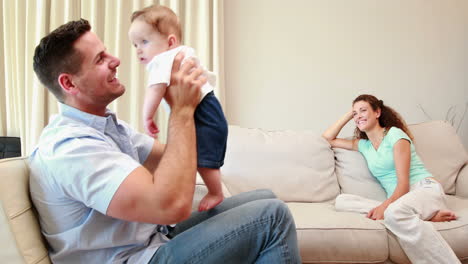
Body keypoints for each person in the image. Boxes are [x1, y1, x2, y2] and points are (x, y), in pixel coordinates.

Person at [30, 19, 301, 264]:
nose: (116, 60)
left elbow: (179, 159)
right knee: (272, 218)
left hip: (151, 244)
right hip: (133, 259)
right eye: (100, 59)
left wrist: (199, 106)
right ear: (69, 83)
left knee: (265, 197)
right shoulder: (71, 146)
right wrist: (181, 110)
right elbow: (170, 207)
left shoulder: (107, 127)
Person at [322, 94, 460, 264]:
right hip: (403, 201)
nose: (358, 116)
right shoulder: (363, 145)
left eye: (363, 110)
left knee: (394, 213)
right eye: (355, 113)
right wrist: (348, 115)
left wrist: (384, 207)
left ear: (377, 112)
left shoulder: (395, 135)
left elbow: (403, 185)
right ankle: (425, 216)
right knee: (342, 201)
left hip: (423, 189)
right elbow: (327, 139)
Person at [128, 4, 227, 212]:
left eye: (144, 42)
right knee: (194, 156)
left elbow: (155, 89)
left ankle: (216, 192)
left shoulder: (164, 59)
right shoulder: (183, 53)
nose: (138, 50)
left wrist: (147, 116)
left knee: (203, 158)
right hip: (210, 108)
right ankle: (212, 191)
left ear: (170, 41)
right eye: (135, 44)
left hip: (203, 113)